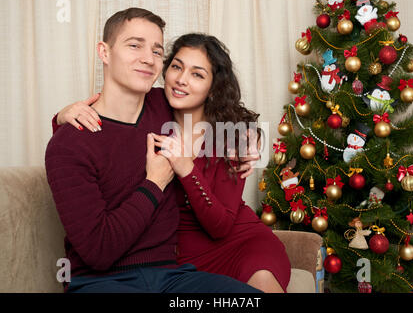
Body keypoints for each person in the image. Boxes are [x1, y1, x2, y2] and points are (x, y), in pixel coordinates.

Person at [54, 31, 291, 292]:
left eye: (197, 74)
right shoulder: (150, 106)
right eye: (177, 67)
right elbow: (96, 131)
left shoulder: (229, 137)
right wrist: (62, 117)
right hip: (179, 261)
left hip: (239, 241)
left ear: (213, 89)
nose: (181, 80)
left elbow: (220, 226)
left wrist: (186, 167)